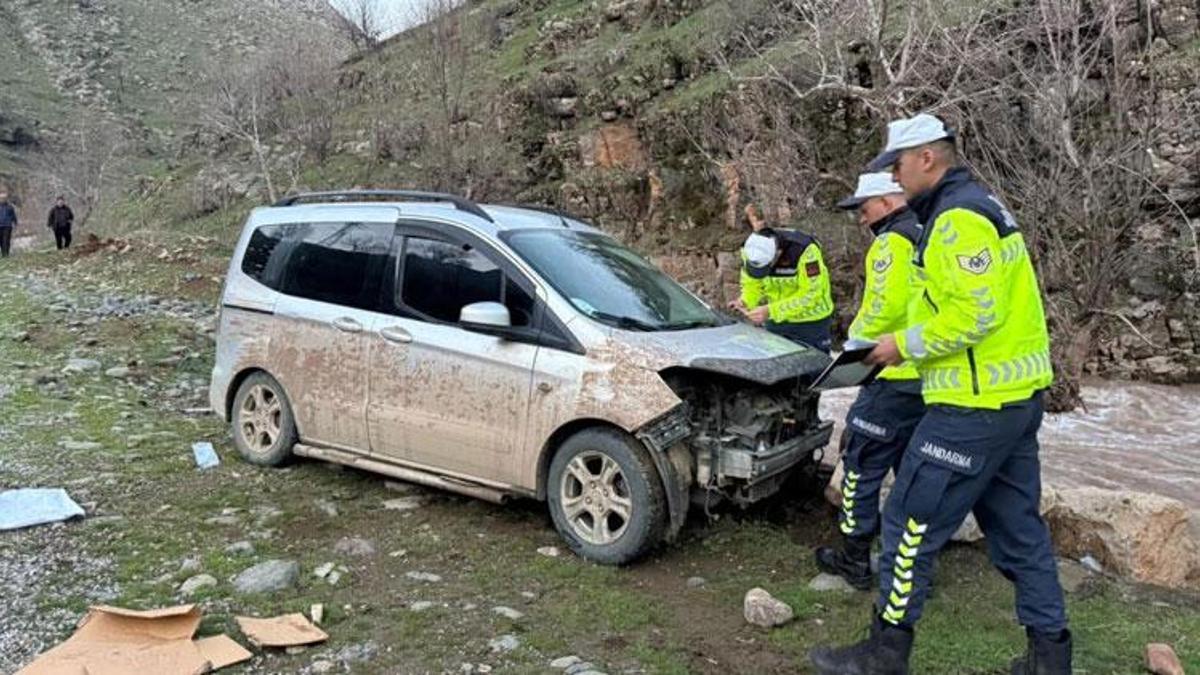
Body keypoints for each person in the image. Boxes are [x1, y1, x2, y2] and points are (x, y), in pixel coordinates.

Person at [809, 113, 1069, 675]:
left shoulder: (956, 220)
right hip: (1013, 400)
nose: (894, 180)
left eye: (897, 167)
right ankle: (1050, 658)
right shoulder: (982, 207)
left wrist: (899, 346)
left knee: (908, 524)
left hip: (971, 408)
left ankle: (886, 652)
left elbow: (973, 316)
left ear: (927, 158)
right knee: (1021, 532)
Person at [814, 173, 926, 590]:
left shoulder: (892, 243)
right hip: (927, 378)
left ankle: (854, 560)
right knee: (913, 474)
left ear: (885, 201)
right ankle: (911, 569)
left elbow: (884, 307)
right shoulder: (928, 231)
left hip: (890, 376)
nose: (861, 219)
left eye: (864, 208)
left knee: (861, 467)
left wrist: (850, 347)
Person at [729, 204, 834, 353]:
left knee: (813, 371)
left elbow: (812, 294)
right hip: (777, 321)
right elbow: (752, 283)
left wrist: (770, 310)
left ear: (776, 254)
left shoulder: (805, 249)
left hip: (811, 323)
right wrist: (745, 301)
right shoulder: (750, 249)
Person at [0, 191, 17, 259]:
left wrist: (15, 223)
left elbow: (13, 216)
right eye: (1, 198)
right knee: (1, 241)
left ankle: (6, 255)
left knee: (6, 240)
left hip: (7, 226)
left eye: (4, 198)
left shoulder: (10, 207)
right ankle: (3, 254)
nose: (3, 199)